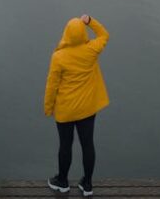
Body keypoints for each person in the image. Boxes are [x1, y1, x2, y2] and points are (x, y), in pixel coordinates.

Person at [44, 14, 109, 197]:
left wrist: (48, 107)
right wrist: (90, 21)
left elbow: (52, 85)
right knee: (87, 144)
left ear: (66, 33)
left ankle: (62, 181)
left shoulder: (58, 57)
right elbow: (104, 35)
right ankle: (87, 184)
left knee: (65, 145)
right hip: (87, 109)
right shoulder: (91, 50)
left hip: (66, 110)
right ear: (82, 34)